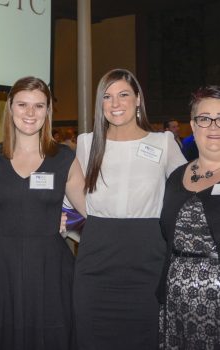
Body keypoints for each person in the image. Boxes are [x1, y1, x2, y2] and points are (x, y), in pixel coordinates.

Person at [73, 68, 186, 349]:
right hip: (96, 257)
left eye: (123, 95)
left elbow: (187, 193)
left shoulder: (163, 142)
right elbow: (72, 195)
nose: (115, 103)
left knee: (144, 338)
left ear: (138, 100)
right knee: (91, 336)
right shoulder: (86, 144)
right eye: (107, 97)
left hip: (147, 257)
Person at [0, 76, 86, 350]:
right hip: (2, 267)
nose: (30, 113)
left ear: (48, 111)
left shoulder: (64, 158)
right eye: (22, 104)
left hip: (51, 267)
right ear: (10, 108)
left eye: (39, 105)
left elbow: (90, 209)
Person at [158, 85, 220, 349]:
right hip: (175, 300)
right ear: (193, 127)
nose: (214, 127)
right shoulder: (175, 177)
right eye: (205, 119)